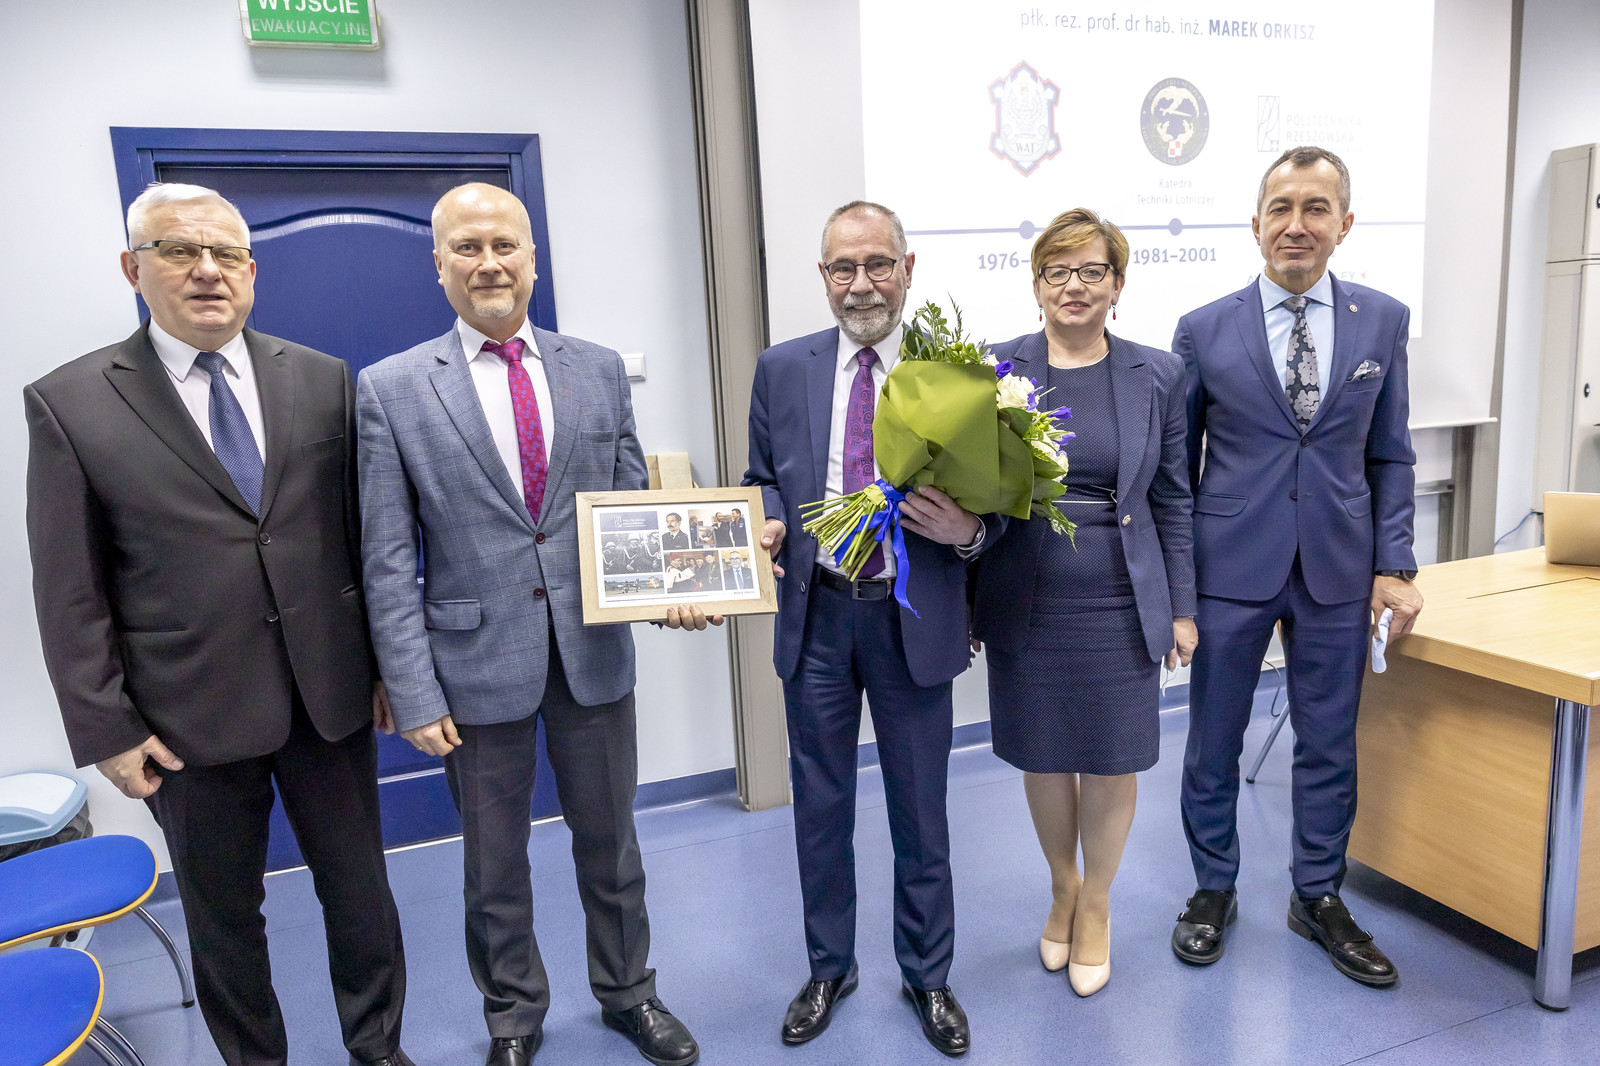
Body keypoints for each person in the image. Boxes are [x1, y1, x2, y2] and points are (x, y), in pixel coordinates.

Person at [24, 183, 413, 1066]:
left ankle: (379, 1046)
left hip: (329, 699)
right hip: (184, 718)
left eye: (227, 253)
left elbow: (359, 542)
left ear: (251, 270)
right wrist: (107, 730)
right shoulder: (71, 402)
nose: (207, 270)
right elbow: (69, 588)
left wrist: (388, 668)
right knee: (225, 918)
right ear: (134, 268)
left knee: (361, 895)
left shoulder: (320, 378)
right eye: (178, 250)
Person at [357, 183, 709, 1066]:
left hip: (593, 650)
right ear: (439, 264)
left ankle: (630, 993)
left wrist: (675, 582)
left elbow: (630, 507)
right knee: (493, 864)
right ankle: (512, 1016)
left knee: (613, 843)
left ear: (532, 259)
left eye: (504, 245)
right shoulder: (392, 388)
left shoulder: (596, 369)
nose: (489, 264)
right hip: (472, 664)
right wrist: (412, 687)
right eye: (467, 248)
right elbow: (386, 556)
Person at [744, 200, 1004, 1056]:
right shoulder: (782, 368)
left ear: (907, 268)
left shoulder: (957, 376)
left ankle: (928, 974)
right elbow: (760, 475)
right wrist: (768, 516)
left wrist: (968, 531)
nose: (861, 285)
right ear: (823, 276)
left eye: (878, 264)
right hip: (816, 617)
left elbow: (1000, 504)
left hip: (910, 617)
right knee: (820, 809)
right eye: (843, 268)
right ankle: (830, 967)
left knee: (920, 812)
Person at [1170, 147, 1423, 987]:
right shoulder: (1203, 329)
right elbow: (1176, 471)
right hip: (1230, 568)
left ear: (1344, 224)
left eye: (1316, 208)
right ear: (1255, 224)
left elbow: (1391, 454)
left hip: (1339, 570)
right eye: (1281, 207)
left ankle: (1318, 896)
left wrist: (1395, 563)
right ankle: (1213, 889)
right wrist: (1179, 586)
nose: (1296, 224)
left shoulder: (1383, 321)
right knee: (1213, 740)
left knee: (1328, 744)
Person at [971, 208, 1196, 997]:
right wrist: (965, 603)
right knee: (1043, 751)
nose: (1075, 285)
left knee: (1111, 756)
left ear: (1117, 284)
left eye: (1092, 271)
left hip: (1121, 596)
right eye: (1058, 271)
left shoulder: (1158, 374)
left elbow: (1173, 498)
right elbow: (969, 493)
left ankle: (1095, 901)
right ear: (1037, 285)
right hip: (1024, 593)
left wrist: (1182, 608)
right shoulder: (994, 369)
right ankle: (1061, 885)